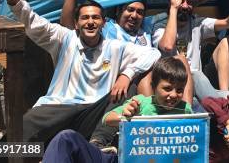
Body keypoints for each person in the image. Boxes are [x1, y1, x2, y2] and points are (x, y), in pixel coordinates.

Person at [0, 0, 161, 144]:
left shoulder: (115, 47)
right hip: (59, 107)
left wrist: (126, 74)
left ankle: (99, 143)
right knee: (17, 137)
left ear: (103, 23)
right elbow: (33, 22)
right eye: (85, 18)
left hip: (93, 112)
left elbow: (153, 53)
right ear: (76, 23)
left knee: (128, 88)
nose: (90, 22)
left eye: (95, 18)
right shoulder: (64, 38)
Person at [41, 56, 190, 162]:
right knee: (66, 138)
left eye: (179, 90)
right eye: (167, 88)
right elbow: (107, 119)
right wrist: (126, 117)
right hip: (121, 158)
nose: (173, 95)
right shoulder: (140, 102)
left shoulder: (186, 111)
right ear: (153, 87)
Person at [153, 0, 229, 103]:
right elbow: (167, 46)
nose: (184, 5)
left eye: (189, 2)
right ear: (171, 2)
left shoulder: (196, 22)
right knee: (192, 71)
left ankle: (224, 98)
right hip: (173, 82)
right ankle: (221, 105)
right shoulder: (160, 24)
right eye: (180, 1)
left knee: (227, 41)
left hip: (196, 81)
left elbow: (228, 23)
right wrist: (174, 8)